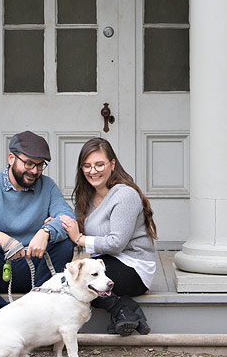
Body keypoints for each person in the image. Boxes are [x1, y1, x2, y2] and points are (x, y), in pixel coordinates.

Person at [0, 130, 75, 315]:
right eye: (28, 163)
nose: (34, 171)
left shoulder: (48, 186)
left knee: (64, 244)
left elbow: (68, 219)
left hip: (34, 266)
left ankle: (38, 307)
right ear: (11, 158)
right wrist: (2, 239)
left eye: (40, 165)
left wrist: (46, 231)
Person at [59, 137, 157, 336]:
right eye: (86, 166)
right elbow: (77, 228)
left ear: (112, 164)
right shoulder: (87, 197)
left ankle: (121, 310)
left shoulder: (124, 195)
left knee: (77, 281)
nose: (92, 171)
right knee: (76, 277)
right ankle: (127, 310)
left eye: (99, 164)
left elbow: (116, 243)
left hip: (134, 267)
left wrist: (80, 239)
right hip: (108, 262)